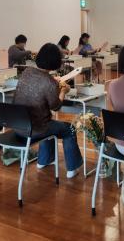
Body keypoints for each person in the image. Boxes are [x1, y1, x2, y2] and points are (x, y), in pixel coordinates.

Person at [13, 43, 83, 178]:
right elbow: (56, 106)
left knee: (47, 121)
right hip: (36, 129)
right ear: (55, 62)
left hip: (18, 125)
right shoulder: (49, 82)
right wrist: (63, 91)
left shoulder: (27, 72)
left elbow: (39, 85)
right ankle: (72, 168)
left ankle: (44, 160)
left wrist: (52, 81)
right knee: (69, 129)